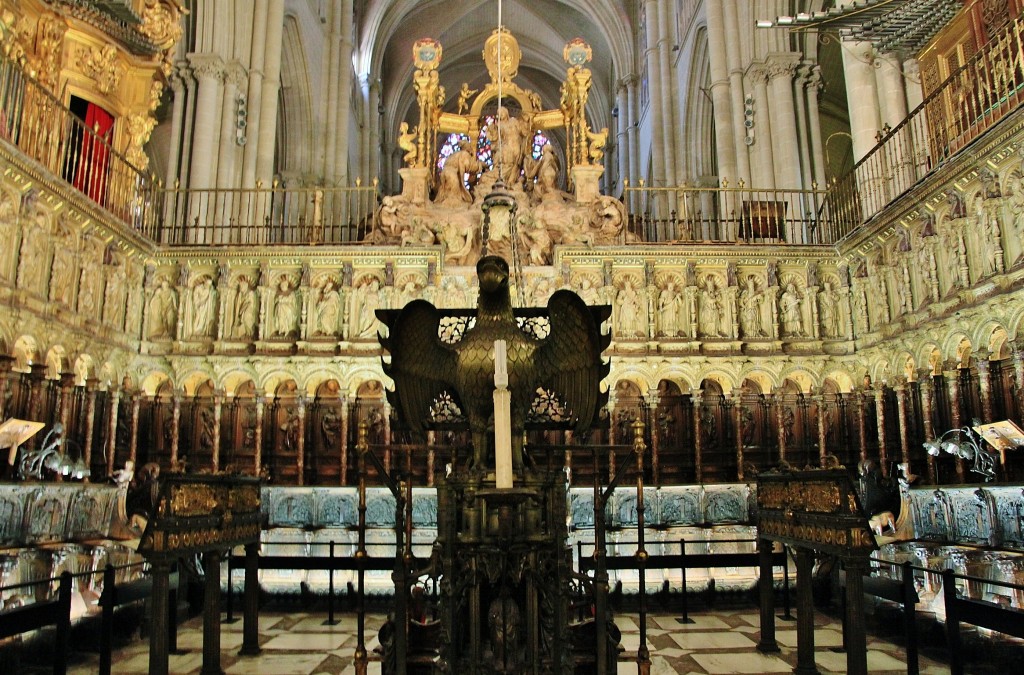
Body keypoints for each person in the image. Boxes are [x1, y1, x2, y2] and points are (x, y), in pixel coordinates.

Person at [486, 106, 529, 185]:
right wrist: (491, 130)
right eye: (499, 114)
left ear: (506, 113)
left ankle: (511, 182)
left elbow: (522, 131)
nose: (501, 115)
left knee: (515, 164)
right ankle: (505, 182)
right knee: (505, 163)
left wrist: (525, 122)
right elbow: (495, 138)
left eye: (502, 112)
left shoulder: (514, 121)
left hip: (516, 145)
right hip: (506, 147)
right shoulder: (499, 125)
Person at [435, 140, 481, 204]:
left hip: (444, 172)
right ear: (467, 147)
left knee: (446, 190)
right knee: (454, 195)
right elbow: (468, 166)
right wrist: (479, 165)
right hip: (451, 174)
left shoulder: (455, 154)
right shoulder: (464, 154)